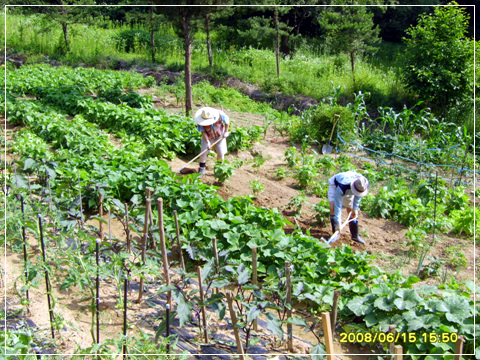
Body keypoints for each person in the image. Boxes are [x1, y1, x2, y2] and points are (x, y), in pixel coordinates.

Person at [327, 171, 369, 244]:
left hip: (350, 187)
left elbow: (358, 196)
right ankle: (336, 232)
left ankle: (355, 235)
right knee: (333, 208)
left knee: (351, 211)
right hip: (335, 186)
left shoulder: (362, 183)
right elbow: (338, 205)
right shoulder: (342, 186)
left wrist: (355, 209)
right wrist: (338, 223)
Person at [194, 106, 230, 175]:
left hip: (220, 135)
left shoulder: (220, 114)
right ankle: (201, 170)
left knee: (220, 151)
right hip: (208, 136)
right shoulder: (200, 121)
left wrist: (226, 132)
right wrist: (207, 142)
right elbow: (203, 132)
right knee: (203, 151)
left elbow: (227, 121)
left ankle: (219, 169)